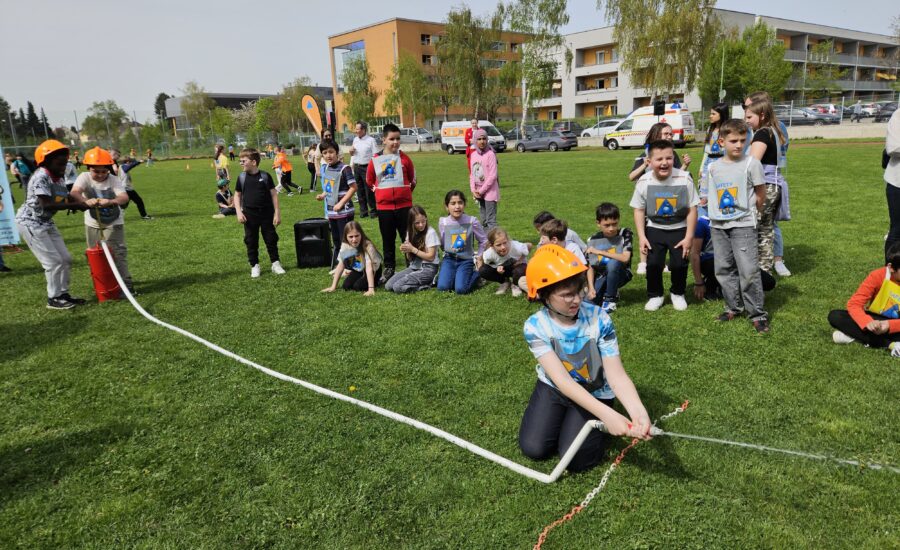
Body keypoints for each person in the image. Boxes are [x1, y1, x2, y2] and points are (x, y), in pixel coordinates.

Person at [519, 244, 652, 473]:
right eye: (566, 295)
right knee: (534, 448)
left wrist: (638, 412)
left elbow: (616, 375)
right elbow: (563, 382)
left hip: (595, 389)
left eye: (579, 291)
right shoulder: (535, 327)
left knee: (578, 461)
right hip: (556, 388)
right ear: (543, 295)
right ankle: (571, 417)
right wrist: (607, 416)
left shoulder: (600, 319)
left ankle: (586, 422)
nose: (577, 300)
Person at [702, 119, 770, 333]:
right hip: (719, 226)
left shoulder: (752, 164)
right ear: (721, 141)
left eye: (743, 140)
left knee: (748, 270)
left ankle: (757, 314)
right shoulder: (712, 167)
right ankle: (733, 307)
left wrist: (754, 214)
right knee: (723, 268)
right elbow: (710, 195)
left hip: (743, 224)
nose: (739, 145)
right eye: (733, 141)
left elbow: (761, 193)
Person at [14, 139, 88, 309]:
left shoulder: (58, 176)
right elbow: (46, 204)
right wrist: (75, 205)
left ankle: (63, 294)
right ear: (46, 161)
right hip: (30, 223)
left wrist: (84, 203)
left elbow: (65, 195)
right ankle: (53, 298)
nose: (63, 165)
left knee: (66, 259)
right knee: (53, 262)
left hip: (46, 222)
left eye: (64, 160)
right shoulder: (41, 176)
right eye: (59, 161)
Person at [630, 140, 699, 312]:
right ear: (650, 161)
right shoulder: (644, 181)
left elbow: (692, 209)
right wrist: (642, 236)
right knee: (653, 264)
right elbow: (639, 210)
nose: (664, 163)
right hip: (654, 228)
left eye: (668, 158)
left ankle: (678, 292)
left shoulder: (684, 178)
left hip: (679, 228)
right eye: (659, 159)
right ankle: (655, 295)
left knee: (679, 264)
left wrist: (689, 237)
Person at [628, 122, 692, 275]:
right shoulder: (646, 154)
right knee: (645, 229)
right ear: (656, 135)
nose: (670, 136)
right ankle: (644, 262)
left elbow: (674, 175)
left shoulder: (672, 154)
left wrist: (684, 166)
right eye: (666, 134)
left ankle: (661, 260)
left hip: (667, 196)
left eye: (671, 134)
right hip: (647, 198)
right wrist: (645, 164)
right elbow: (631, 176)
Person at [70, 146, 135, 294]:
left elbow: (123, 197)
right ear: (89, 168)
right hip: (92, 222)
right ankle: (104, 285)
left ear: (108, 169)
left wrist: (111, 202)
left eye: (103, 171)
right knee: (94, 254)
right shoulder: (84, 177)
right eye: (96, 171)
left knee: (118, 253)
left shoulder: (113, 179)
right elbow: (74, 192)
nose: (100, 175)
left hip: (114, 221)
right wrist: (86, 201)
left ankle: (126, 286)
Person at [744, 92, 792, 277]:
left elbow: (752, 162)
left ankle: (758, 272)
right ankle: (765, 271)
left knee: (756, 228)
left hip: (765, 186)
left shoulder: (762, 133)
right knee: (766, 228)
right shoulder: (773, 130)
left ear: (761, 115)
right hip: (774, 185)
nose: (746, 121)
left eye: (749, 117)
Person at [366, 123, 416, 284]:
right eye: (391, 139)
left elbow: (412, 179)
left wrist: (406, 193)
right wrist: (380, 192)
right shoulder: (375, 160)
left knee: (407, 237)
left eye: (398, 139)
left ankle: (412, 264)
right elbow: (369, 180)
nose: (395, 142)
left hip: (404, 206)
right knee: (387, 238)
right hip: (384, 207)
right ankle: (389, 268)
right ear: (384, 140)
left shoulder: (405, 159)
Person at [829, 242, 900, 357]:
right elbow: (854, 304)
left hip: (897, 325)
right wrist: (867, 322)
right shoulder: (877, 275)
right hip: (875, 321)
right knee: (835, 316)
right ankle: (890, 344)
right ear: (891, 268)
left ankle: (856, 336)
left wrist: (890, 325)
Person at [691, 214, 776, 302]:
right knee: (720, 264)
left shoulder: (737, 219)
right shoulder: (702, 223)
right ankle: (711, 285)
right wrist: (699, 283)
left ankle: (725, 288)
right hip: (711, 260)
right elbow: (694, 254)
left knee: (769, 282)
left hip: (735, 259)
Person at [233, 148, 284, 278]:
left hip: (266, 214)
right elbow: (237, 196)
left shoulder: (265, 176)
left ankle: (275, 263)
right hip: (249, 215)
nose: (241, 163)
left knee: (271, 238)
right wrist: (239, 212)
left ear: (254, 162)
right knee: (251, 240)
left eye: (244, 161)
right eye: (240, 161)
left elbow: (274, 195)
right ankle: (254, 265)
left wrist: (277, 213)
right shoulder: (241, 177)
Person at [315, 139, 357, 269]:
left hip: (344, 211)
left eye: (331, 152)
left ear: (337, 152)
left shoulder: (345, 168)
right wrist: (323, 195)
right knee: (337, 241)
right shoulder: (326, 168)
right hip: (331, 212)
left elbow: (353, 187)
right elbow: (329, 187)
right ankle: (340, 267)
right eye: (325, 153)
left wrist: (341, 203)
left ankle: (350, 267)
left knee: (347, 241)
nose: (328, 155)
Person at [437, 189, 487, 294]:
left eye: (460, 202)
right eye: (453, 203)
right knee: (443, 287)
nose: (457, 206)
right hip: (449, 259)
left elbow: (483, 240)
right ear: (447, 206)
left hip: (466, 260)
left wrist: (480, 257)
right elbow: (442, 243)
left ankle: (478, 274)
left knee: (461, 289)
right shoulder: (443, 222)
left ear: (464, 205)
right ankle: (456, 275)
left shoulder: (471, 221)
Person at [585, 203, 633, 312]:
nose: (611, 228)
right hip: (602, 275)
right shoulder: (593, 239)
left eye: (614, 224)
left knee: (613, 263)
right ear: (598, 223)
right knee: (588, 302)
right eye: (607, 225)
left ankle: (610, 299)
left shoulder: (625, 233)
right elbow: (591, 267)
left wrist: (599, 252)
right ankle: (608, 291)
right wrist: (591, 288)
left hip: (622, 273)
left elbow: (625, 258)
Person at [386, 205, 440, 293]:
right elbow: (410, 258)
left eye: (423, 221)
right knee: (388, 286)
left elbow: (431, 257)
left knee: (397, 287)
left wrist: (413, 249)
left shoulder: (431, 233)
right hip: (414, 267)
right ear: (411, 223)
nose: (421, 225)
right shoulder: (410, 233)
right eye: (417, 223)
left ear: (426, 218)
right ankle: (418, 283)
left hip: (428, 269)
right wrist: (406, 250)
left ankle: (426, 285)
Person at [322, 221, 382, 296]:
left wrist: (371, 289)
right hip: (358, 269)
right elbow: (341, 265)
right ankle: (357, 276)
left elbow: (369, 268)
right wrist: (333, 287)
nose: (354, 239)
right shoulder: (345, 245)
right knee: (346, 286)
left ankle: (378, 280)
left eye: (357, 236)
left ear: (361, 234)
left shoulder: (367, 245)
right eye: (351, 237)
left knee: (358, 287)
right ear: (346, 237)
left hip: (373, 270)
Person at [480, 226, 531, 297]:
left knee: (520, 270)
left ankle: (515, 284)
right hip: (504, 270)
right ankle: (505, 282)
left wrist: (521, 260)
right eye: (498, 245)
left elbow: (529, 245)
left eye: (505, 243)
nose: (503, 247)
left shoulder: (516, 246)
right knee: (483, 270)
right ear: (492, 246)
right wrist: (496, 267)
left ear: (508, 240)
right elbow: (487, 262)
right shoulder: (488, 254)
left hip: (517, 267)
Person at [698, 103, 730, 210]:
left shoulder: (727, 130)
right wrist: (702, 167)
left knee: (719, 189)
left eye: (713, 114)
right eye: (710, 113)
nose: (710, 116)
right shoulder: (710, 130)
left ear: (721, 114)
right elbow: (706, 151)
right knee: (704, 192)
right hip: (709, 162)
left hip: (721, 161)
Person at [469, 128, 500, 230]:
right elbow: (472, 174)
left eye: (484, 139)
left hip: (489, 192)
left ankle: (494, 243)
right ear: (475, 140)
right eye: (479, 139)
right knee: (483, 221)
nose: (482, 141)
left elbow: (493, 175)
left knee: (491, 220)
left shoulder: (490, 154)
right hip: (478, 192)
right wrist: (473, 190)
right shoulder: (473, 155)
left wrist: (482, 191)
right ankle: (486, 243)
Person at [111, 149, 152, 220]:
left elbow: (130, 166)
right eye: (130, 162)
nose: (130, 164)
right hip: (126, 188)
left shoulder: (121, 167)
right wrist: (138, 162)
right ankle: (144, 216)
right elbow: (129, 166)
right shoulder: (123, 166)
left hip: (126, 188)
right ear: (127, 162)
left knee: (124, 205)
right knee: (139, 201)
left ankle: (116, 215)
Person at [349, 121, 378, 218]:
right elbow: (353, 154)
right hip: (357, 167)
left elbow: (375, 155)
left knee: (369, 191)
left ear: (363, 130)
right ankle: (363, 211)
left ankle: (373, 211)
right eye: (356, 129)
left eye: (358, 129)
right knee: (359, 191)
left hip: (367, 168)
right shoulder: (355, 140)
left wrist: (373, 168)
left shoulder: (371, 140)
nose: (356, 131)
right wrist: (351, 161)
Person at [884, 108, 900, 261]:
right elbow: (893, 147)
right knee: (897, 230)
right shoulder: (899, 115)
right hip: (898, 183)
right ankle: (891, 275)